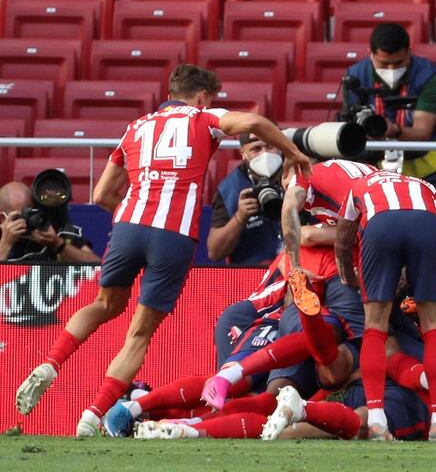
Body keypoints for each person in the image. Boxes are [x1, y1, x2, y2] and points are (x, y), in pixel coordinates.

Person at [14, 64, 312, 437]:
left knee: (105, 304)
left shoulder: (136, 127)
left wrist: (133, 216)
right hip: (173, 234)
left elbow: (102, 194)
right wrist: (293, 153)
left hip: (128, 226)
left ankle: (50, 364)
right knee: (138, 334)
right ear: (202, 96)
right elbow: (254, 121)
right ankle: (93, 415)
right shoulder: (205, 117)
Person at [334, 170, 436, 442]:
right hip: (428, 224)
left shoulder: (357, 185)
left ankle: (377, 421)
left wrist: (348, 276)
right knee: (433, 322)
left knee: (375, 325)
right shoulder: (424, 183)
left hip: (381, 223)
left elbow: (343, 242)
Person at [342, 23, 436, 202]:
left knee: (430, 222)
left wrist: (392, 130)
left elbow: (422, 132)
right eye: (384, 64)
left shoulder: (429, 76)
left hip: (430, 163)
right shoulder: (355, 76)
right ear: (370, 54)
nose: (391, 70)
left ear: (409, 52)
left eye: (398, 63)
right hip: (378, 165)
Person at [207, 134, 285, 266]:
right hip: (252, 273)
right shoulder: (230, 188)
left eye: (270, 146)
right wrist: (240, 217)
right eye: (256, 149)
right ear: (243, 153)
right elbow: (215, 253)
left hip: (297, 271)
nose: (264, 154)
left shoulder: (298, 177)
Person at [0, 181, 99, 264]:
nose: (27, 220)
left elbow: (98, 268)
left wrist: (57, 244)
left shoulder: (50, 230)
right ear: (2, 218)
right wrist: (6, 243)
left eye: (31, 212)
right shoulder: (3, 241)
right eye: (21, 215)